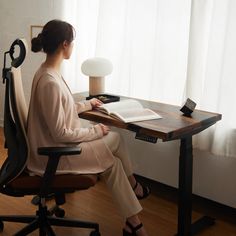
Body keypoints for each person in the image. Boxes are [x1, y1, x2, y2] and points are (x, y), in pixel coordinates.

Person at [27, 19, 150, 236]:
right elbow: (60, 132)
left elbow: (60, 109)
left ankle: (133, 212)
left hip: (55, 146)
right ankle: (134, 218)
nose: (73, 47)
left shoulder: (47, 72)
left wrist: (86, 104)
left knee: (115, 141)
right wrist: (95, 131)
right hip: (53, 154)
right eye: (72, 43)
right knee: (111, 159)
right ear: (65, 44)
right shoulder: (50, 82)